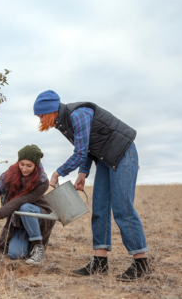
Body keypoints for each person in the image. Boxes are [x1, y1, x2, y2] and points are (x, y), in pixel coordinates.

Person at [33, 90, 150, 281]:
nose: (40, 120)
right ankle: (100, 263)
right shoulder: (63, 123)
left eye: (41, 115)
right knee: (100, 208)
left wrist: (58, 172)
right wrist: (82, 173)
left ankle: (141, 263)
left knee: (122, 208)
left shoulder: (78, 114)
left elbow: (80, 152)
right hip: (105, 159)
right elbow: (86, 148)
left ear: (51, 110)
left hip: (124, 153)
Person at [0, 145, 55, 265]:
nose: (24, 169)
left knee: (25, 207)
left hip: (39, 216)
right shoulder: (12, 171)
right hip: (20, 219)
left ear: (36, 165)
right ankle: (28, 243)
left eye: (29, 166)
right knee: (15, 254)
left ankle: (38, 248)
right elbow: (0, 185)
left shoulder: (42, 181)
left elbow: (21, 200)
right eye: (21, 164)